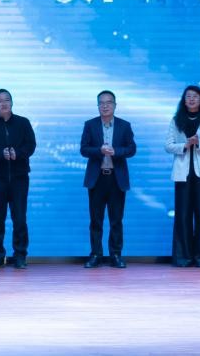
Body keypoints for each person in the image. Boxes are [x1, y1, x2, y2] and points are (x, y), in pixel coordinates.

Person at [0, 88, 36, 269]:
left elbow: (31, 145)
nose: (4, 103)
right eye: (0, 100)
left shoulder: (23, 123)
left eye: (7, 100)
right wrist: (0, 154)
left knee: (20, 218)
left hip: (19, 178)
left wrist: (18, 153)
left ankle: (20, 256)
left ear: (12, 102)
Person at [79, 90, 137, 268]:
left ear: (115, 105)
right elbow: (83, 149)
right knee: (95, 220)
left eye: (109, 102)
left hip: (116, 179)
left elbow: (132, 149)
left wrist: (116, 151)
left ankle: (116, 255)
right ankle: (96, 254)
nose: (105, 106)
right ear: (98, 106)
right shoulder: (90, 125)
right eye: (101, 103)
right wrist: (99, 150)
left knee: (116, 220)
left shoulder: (124, 125)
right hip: (96, 179)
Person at [165, 84, 200, 267]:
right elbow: (168, 146)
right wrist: (185, 145)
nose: (191, 99)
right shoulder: (176, 120)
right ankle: (183, 257)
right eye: (188, 96)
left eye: (195, 96)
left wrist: (199, 143)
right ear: (184, 100)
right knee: (183, 215)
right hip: (182, 175)